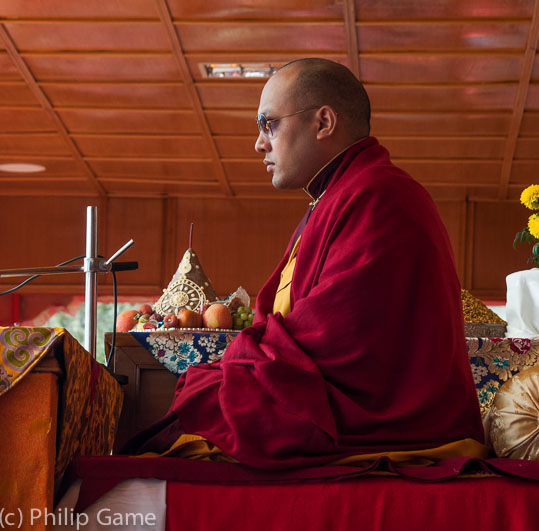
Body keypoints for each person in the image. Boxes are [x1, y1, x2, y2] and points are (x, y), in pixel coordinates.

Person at [123, 58, 485, 469]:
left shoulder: (381, 195)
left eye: (268, 124)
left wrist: (246, 355)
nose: (260, 143)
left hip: (386, 419)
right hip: (347, 400)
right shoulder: (338, 196)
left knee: (205, 405)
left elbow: (338, 335)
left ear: (323, 122)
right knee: (204, 390)